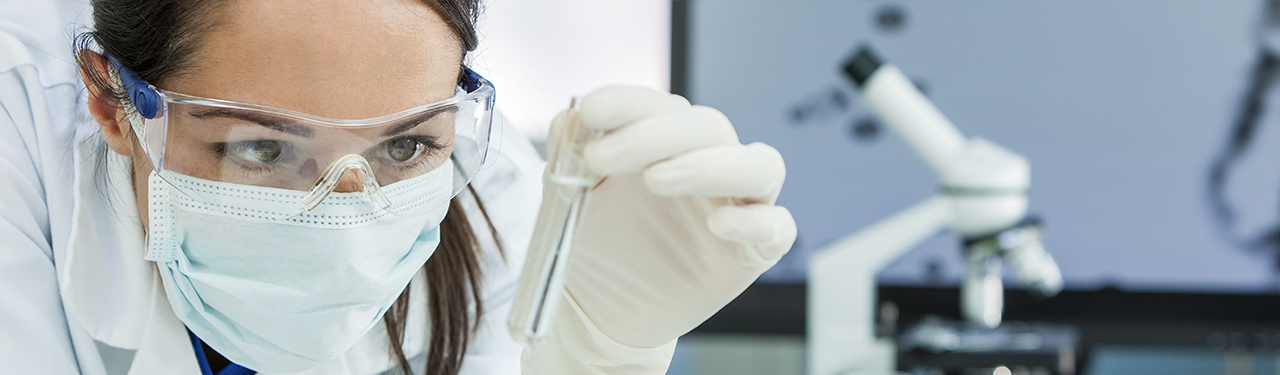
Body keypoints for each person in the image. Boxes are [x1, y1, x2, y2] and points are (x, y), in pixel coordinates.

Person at [0, 0, 797, 374]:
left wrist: (597, 360)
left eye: (405, 142)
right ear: (113, 101)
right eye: (262, 147)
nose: (348, 227)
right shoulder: (16, 132)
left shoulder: (493, 200)